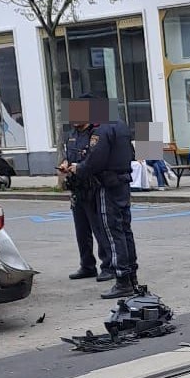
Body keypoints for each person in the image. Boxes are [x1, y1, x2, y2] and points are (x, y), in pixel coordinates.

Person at [75, 101, 140, 299]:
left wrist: (78, 168)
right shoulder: (121, 126)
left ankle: (122, 279)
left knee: (112, 231)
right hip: (122, 182)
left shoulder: (101, 130)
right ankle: (131, 276)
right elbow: (131, 154)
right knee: (125, 230)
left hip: (107, 184)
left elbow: (95, 160)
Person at [61, 102, 112, 283]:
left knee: (99, 229)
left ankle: (108, 265)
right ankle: (87, 265)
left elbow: (94, 159)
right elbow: (69, 156)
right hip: (76, 187)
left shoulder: (94, 134)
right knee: (81, 231)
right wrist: (65, 164)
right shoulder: (72, 135)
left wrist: (79, 167)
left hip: (91, 187)